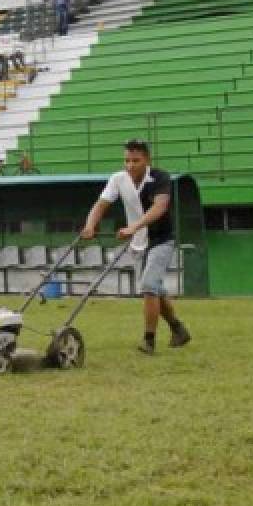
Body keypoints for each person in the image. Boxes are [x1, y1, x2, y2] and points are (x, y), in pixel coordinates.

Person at [79, 139, 191, 355]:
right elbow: (101, 204)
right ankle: (178, 329)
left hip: (161, 240)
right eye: (127, 161)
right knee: (155, 290)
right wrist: (90, 225)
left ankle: (148, 341)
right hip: (139, 243)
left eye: (136, 161)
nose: (130, 165)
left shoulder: (160, 177)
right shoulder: (118, 179)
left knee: (149, 285)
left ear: (147, 160)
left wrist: (134, 226)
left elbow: (160, 207)